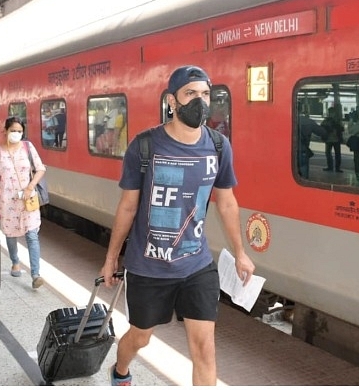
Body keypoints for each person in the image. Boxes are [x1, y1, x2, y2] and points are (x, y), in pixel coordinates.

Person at [100, 65, 255, 386]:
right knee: (141, 338)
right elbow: (128, 206)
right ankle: (120, 370)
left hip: (196, 265)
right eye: (190, 94)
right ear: (172, 101)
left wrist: (240, 252)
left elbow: (226, 201)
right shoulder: (145, 146)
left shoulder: (218, 146)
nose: (200, 101)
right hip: (149, 267)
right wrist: (111, 257)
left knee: (205, 348)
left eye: (205, 94)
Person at [0, 116, 47, 289]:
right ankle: (15, 261)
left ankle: (35, 274)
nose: (17, 134)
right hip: (7, 202)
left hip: (28, 200)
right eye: (13, 131)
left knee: (32, 235)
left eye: (20, 131)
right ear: (5, 131)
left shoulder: (28, 147)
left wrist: (30, 186)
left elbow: (40, 168)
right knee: (11, 235)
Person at [298, 103, 327, 179]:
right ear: (301, 109)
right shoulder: (308, 121)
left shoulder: (286, 119)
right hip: (303, 150)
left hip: (287, 153)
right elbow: (322, 132)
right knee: (303, 176)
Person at [320, 106, 344, 172]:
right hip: (331, 139)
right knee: (333, 154)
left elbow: (342, 129)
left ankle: (334, 167)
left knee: (333, 154)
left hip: (333, 139)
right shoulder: (329, 120)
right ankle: (334, 167)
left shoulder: (336, 121)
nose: (331, 114)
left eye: (332, 112)